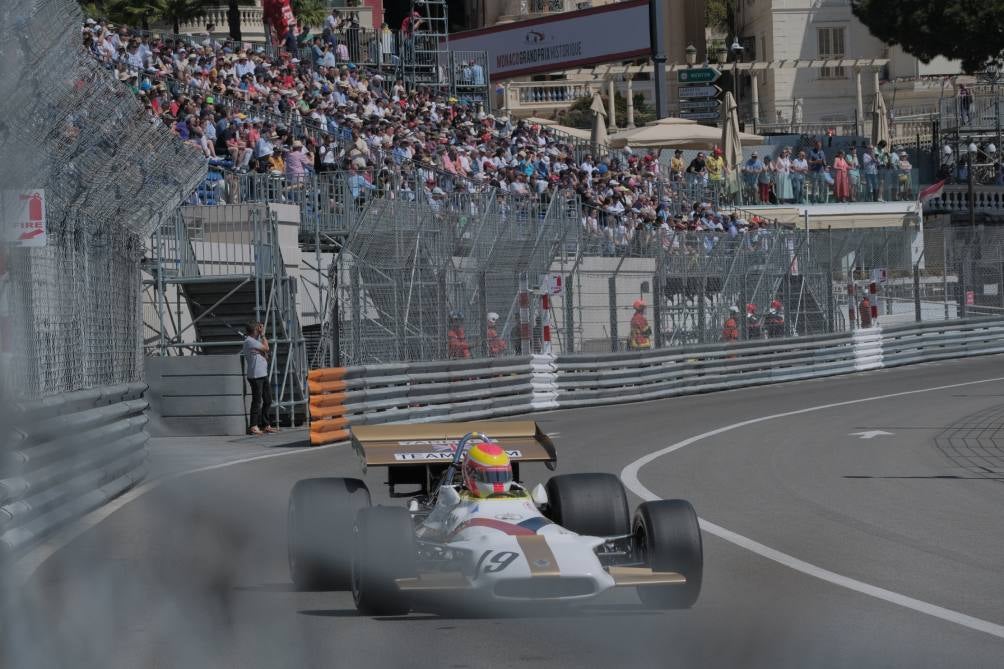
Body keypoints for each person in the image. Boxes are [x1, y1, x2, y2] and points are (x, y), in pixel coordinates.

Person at [242, 321, 278, 435]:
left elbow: (266, 353)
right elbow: (266, 348)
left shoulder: (254, 341)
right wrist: (263, 335)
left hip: (263, 374)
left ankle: (266, 424)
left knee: (268, 400)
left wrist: (263, 351)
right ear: (254, 331)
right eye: (258, 329)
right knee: (257, 401)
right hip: (255, 376)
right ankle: (253, 426)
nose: (259, 331)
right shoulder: (249, 341)